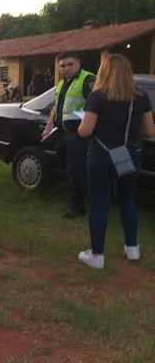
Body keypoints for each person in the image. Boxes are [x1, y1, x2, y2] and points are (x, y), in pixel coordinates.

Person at [76, 53, 154, 269]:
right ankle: (132, 248)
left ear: (104, 72)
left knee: (100, 204)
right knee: (128, 199)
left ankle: (97, 255)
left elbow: (85, 131)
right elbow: (150, 130)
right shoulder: (141, 97)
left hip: (100, 155)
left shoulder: (97, 96)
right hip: (131, 155)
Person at [41, 52, 95, 219]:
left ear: (78, 63)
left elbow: (96, 106)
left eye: (69, 64)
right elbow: (56, 108)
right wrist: (48, 127)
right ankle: (76, 201)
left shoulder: (88, 79)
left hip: (81, 134)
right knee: (71, 170)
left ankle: (78, 207)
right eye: (62, 66)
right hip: (65, 134)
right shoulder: (61, 83)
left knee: (76, 171)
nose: (66, 68)